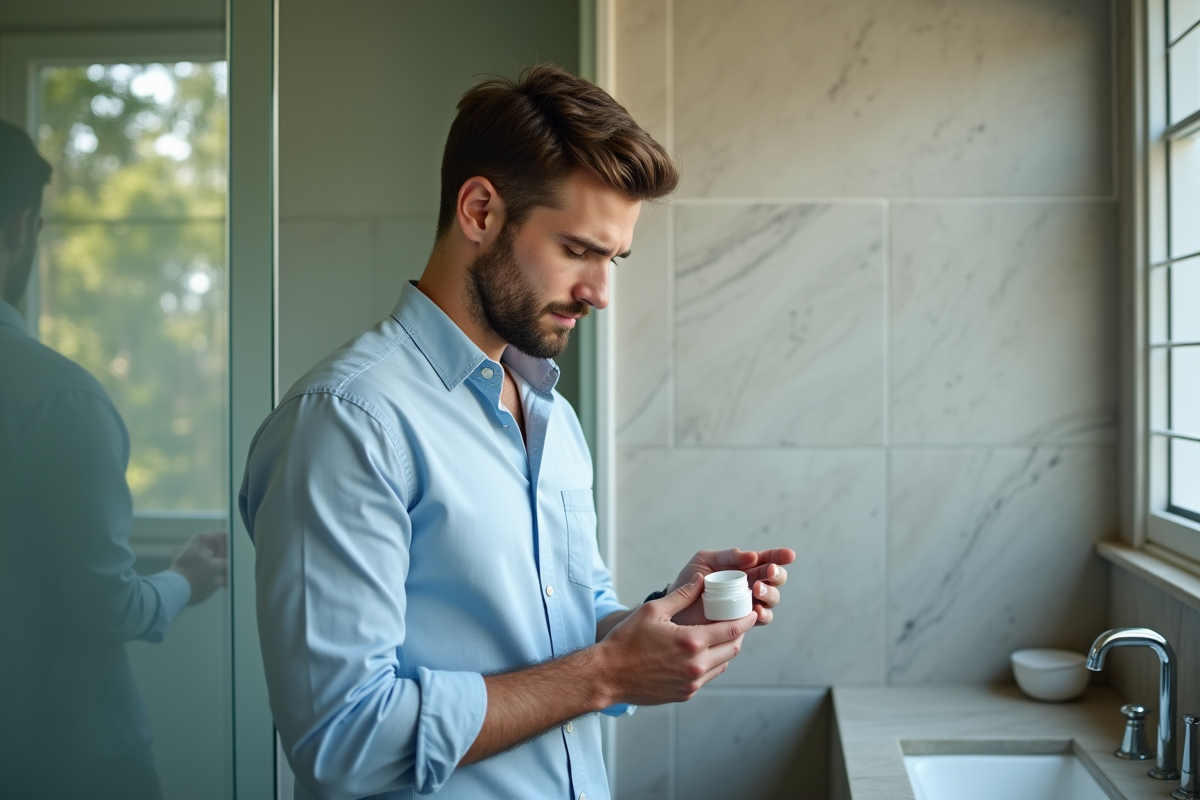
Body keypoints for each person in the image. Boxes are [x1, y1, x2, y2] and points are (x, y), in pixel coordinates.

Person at [240, 65, 796, 800]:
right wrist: (608, 675)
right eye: (577, 250)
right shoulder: (348, 422)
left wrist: (653, 624)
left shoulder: (552, 418)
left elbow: (563, 622)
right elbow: (343, 739)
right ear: (478, 210)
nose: (600, 292)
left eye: (613, 259)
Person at [0, 119, 229, 800]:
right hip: (64, 765)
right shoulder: (58, 399)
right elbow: (103, 606)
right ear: (21, 227)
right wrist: (186, 579)